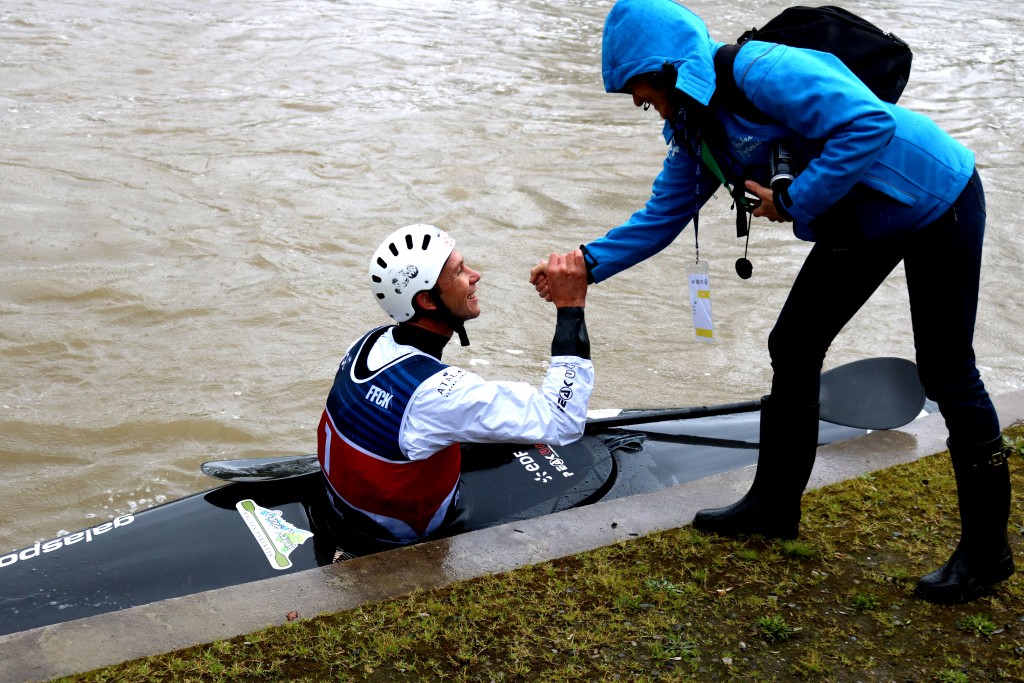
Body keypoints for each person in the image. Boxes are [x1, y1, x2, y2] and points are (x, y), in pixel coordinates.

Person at [530, 0, 1011, 604]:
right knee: (794, 343)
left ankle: (987, 551)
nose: (636, 101)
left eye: (639, 86)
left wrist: (793, 200)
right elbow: (661, 217)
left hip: (935, 198)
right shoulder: (696, 129)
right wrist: (585, 264)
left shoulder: (761, 70)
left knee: (946, 369)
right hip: (860, 219)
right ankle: (773, 507)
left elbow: (869, 124)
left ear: (670, 70)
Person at [317, 223, 593, 551]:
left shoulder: (369, 342)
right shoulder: (438, 394)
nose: (476, 275)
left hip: (343, 508)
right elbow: (562, 422)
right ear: (427, 300)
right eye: (460, 271)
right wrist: (571, 307)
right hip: (401, 536)